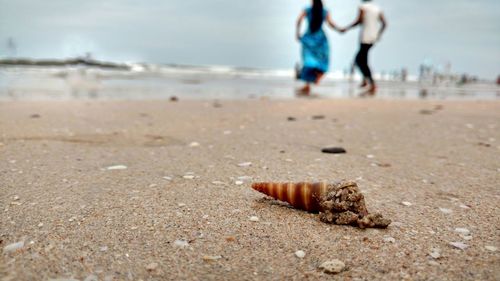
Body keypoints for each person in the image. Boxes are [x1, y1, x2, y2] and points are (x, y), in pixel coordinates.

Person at [296, 0, 344, 95]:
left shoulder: (307, 9)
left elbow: (299, 20)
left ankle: (308, 84)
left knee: (308, 61)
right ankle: (315, 79)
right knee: (322, 60)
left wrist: (297, 33)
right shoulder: (325, 11)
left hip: (309, 37)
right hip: (320, 38)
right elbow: (330, 23)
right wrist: (339, 29)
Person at [344, 0, 387, 95]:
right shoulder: (377, 8)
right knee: (363, 59)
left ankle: (371, 83)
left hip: (365, 36)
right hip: (373, 37)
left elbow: (359, 20)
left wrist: (346, 28)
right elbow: (384, 23)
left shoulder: (363, 7)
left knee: (359, 60)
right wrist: (379, 34)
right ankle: (365, 80)